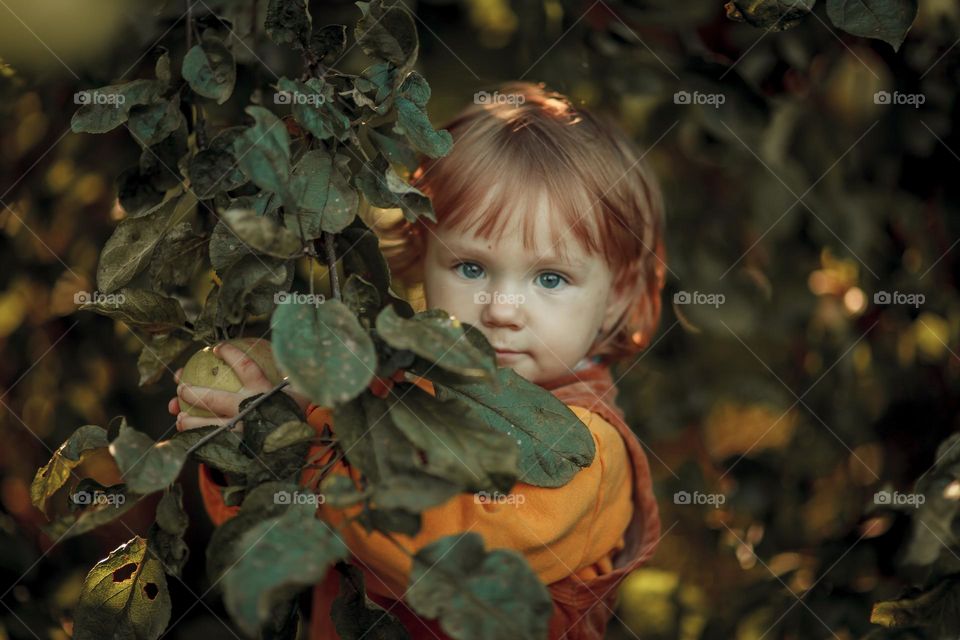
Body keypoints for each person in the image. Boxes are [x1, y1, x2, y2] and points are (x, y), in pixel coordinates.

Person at [169, 81, 666, 639]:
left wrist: (306, 448)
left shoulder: (588, 453)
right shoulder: (389, 392)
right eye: (472, 268)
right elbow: (268, 544)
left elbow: (446, 551)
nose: (502, 310)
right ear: (422, 260)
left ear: (617, 295)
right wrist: (252, 436)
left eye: (551, 278)